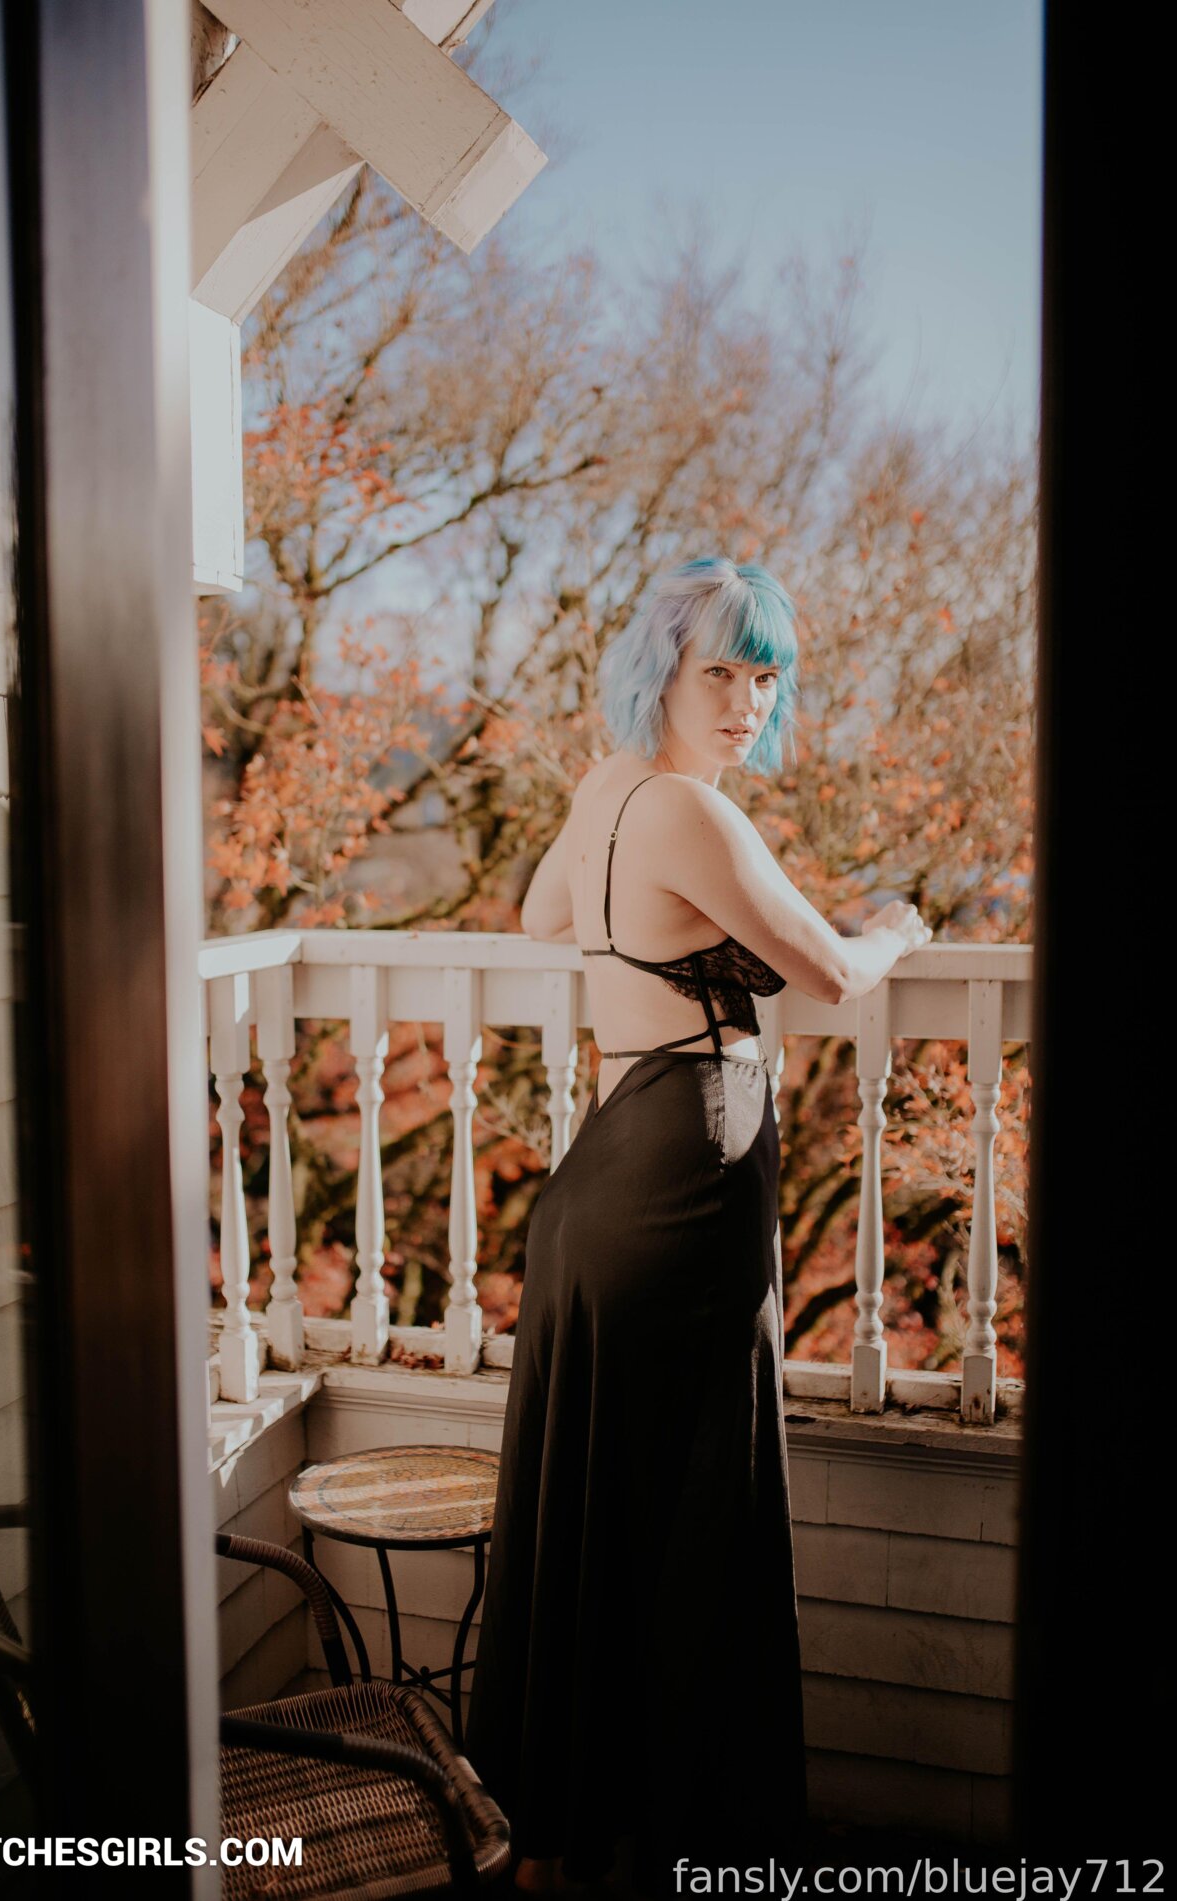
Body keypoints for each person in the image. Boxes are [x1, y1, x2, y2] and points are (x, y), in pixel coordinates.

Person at [461, 556, 932, 1898]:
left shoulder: (607, 790)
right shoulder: (691, 811)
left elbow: (545, 914)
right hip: (689, 1174)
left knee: (593, 1509)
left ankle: (556, 1842)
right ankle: (690, 1845)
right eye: (719, 670)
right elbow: (830, 973)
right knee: (688, 1515)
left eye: (764, 675)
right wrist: (897, 929)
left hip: (603, 1180)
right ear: (659, 671)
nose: (745, 701)